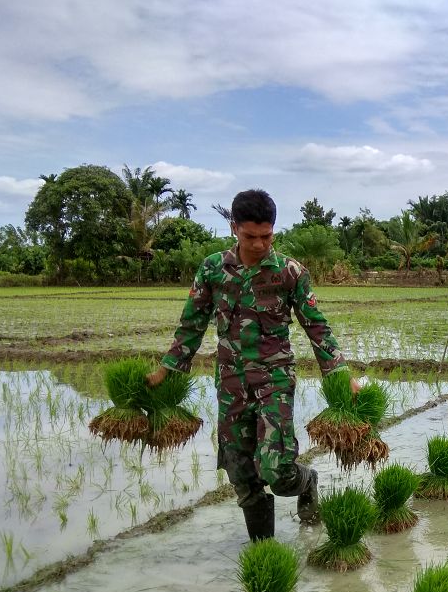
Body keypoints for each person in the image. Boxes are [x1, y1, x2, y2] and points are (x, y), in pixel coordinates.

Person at [147, 189, 356, 541]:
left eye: (266, 236)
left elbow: (316, 325)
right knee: (242, 476)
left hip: (275, 379)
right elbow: (191, 325)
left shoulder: (290, 272)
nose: (259, 245)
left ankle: (308, 481)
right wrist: (165, 371)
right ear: (234, 228)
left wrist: (339, 372)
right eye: (250, 237)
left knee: (277, 470)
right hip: (230, 384)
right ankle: (265, 554)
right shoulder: (214, 269)